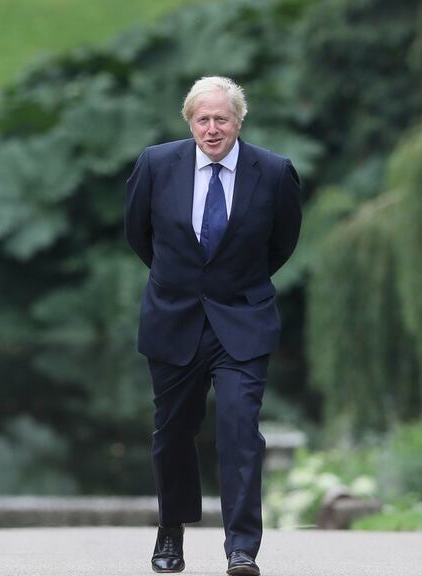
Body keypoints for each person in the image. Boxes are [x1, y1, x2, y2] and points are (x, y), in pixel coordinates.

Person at [124, 76, 302, 576]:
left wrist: (235, 283)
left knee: (240, 431)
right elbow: (138, 233)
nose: (212, 128)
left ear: (239, 121)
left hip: (242, 320)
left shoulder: (274, 172)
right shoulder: (156, 165)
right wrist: (181, 280)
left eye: (221, 118)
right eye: (202, 119)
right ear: (190, 122)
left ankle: (241, 547)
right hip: (173, 318)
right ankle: (171, 530)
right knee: (173, 434)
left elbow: (283, 242)